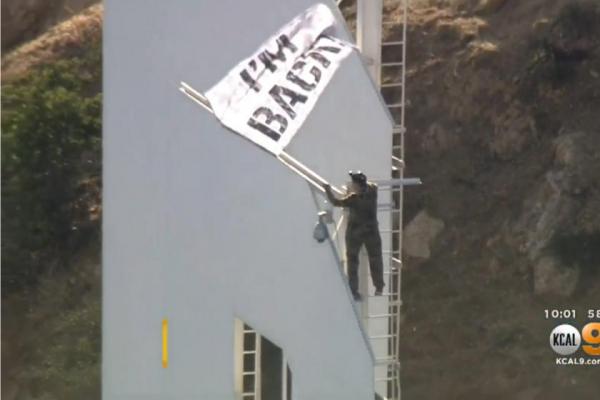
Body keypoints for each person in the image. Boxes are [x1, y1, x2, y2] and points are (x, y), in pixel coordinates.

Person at [323, 171, 384, 301]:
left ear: (356, 186)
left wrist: (327, 190)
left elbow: (336, 202)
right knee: (375, 258)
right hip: (372, 230)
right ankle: (379, 287)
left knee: (353, 261)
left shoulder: (353, 199)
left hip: (356, 233)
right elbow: (373, 185)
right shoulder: (373, 191)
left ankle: (354, 291)